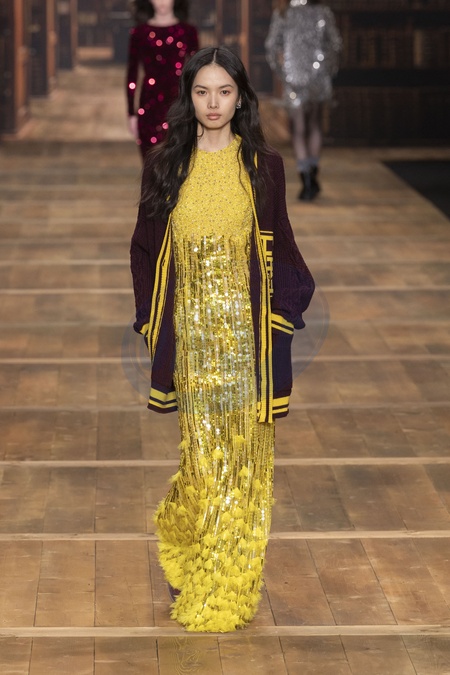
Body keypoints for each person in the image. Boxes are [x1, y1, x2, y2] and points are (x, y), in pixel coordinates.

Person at [130, 46, 315, 632]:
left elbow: (283, 247)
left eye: (224, 91)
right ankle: (186, 540)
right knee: (203, 463)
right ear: (189, 97)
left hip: (246, 346)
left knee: (244, 468)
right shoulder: (166, 166)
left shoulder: (263, 167)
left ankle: (225, 586)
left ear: (240, 98)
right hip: (191, 346)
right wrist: (150, 322)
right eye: (202, 91)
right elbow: (143, 248)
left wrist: (282, 315)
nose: (213, 103)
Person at [265, 0, 341, 201]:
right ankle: (312, 171)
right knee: (314, 124)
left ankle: (306, 177)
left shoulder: (283, 13)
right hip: (318, 78)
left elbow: (271, 47)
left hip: (294, 78)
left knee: (299, 129)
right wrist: (327, 70)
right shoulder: (323, 12)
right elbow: (335, 44)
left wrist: (283, 73)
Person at [126, 0, 198, 159]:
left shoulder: (188, 31)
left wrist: (197, 107)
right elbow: (132, 75)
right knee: (151, 162)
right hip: (149, 105)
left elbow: (197, 73)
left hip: (179, 104)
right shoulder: (139, 33)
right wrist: (131, 113)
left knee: (178, 162)